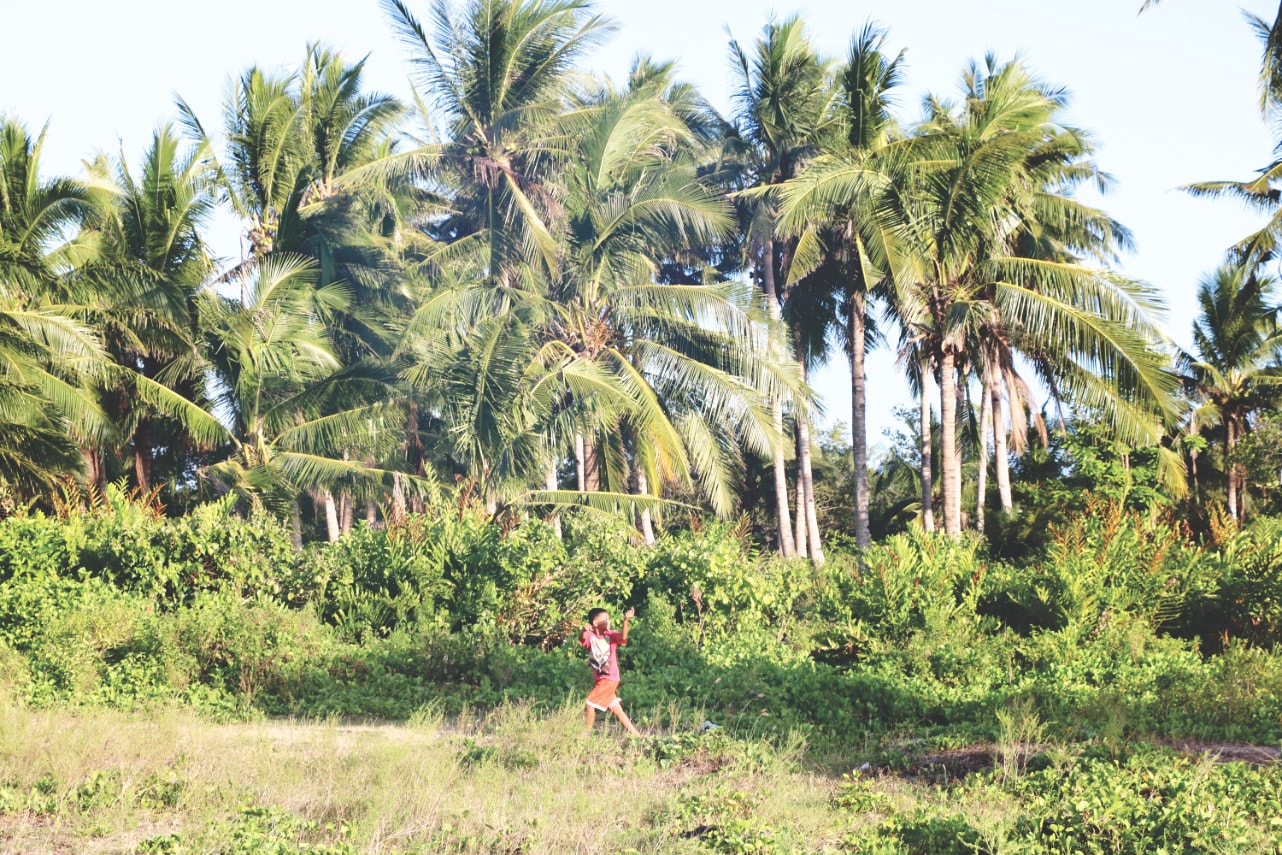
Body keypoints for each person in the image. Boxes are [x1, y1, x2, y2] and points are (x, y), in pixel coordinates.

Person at [580, 606, 640, 735]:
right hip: (603, 680)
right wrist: (583, 629)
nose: (609, 621)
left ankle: (585, 736)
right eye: (605, 619)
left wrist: (626, 621)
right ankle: (637, 735)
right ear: (595, 623)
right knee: (616, 708)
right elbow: (582, 638)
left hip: (608, 679)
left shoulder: (610, 635)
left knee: (589, 704)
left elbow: (623, 636)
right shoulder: (590, 636)